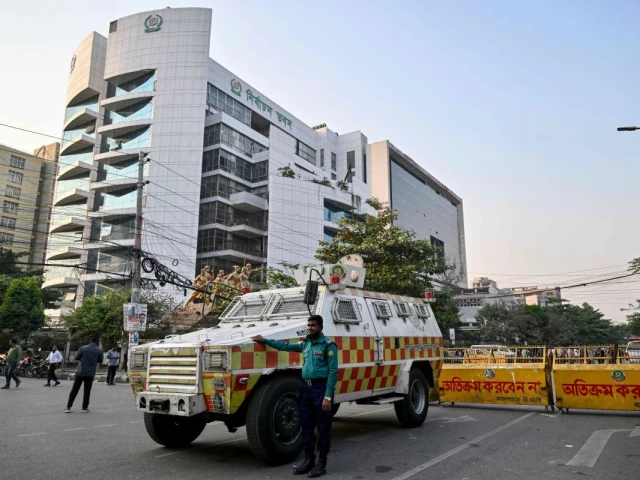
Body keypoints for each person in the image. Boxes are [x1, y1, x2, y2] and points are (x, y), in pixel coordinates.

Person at [252, 315, 338, 478]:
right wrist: (265, 340)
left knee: (323, 428)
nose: (310, 328)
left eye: (313, 325)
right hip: (307, 389)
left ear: (320, 327)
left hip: (321, 389)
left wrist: (327, 396)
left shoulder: (328, 345)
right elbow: (284, 347)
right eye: (308, 325)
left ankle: (322, 463)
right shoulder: (305, 344)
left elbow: (333, 371)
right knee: (306, 426)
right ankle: (309, 460)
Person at [65, 337, 104, 413]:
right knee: (87, 391)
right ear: (97, 342)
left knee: (74, 389)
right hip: (90, 373)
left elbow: (76, 357)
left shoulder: (83, 348)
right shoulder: (99, 350)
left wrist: (83, 360)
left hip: (80, 371)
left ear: (90, 341)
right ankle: (84, 408)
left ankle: (68, 407)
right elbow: (100, 361)